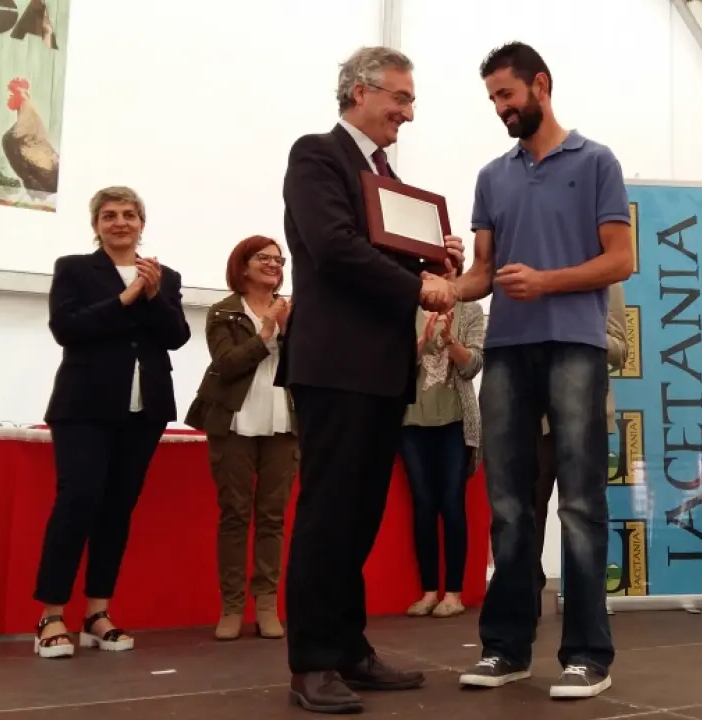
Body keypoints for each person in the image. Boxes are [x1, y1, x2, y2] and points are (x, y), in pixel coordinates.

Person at [277, 45, 464, 714]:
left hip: (383, 368)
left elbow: (383, 257)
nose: (408, 114)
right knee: (329, 514)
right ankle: (312, 663)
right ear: (360, 92)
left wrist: (434, 261)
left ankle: (348, 648)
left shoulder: (385, 177)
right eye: (401, 98)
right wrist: (420, 289)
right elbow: (333, 247)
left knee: (359, 517)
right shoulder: (317, 155)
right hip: (335, 365)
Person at [454, 42, 633, 700]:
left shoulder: (597, 161)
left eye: (507, 94)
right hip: (506, 350)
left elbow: (621, 261)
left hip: (576, 347)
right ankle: (505, 648)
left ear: (541, 85)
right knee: (507, 507)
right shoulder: (490, 177)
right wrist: (444, 286)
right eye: (492, 99)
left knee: (581, 505)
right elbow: (482, 272)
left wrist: (547, 282)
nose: (500, 108)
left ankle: (587, 654)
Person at [32, 186, 191, 658]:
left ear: (142, 223)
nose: (120, 222)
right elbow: (67, 328)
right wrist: (125, 298)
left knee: (117, 508)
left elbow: (177, 336)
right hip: (84, 406)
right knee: (77, 502)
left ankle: (97, 613)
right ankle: (51, 614)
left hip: (145, 409)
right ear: (96, 225)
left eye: (128, 214)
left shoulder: (165, 276)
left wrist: (154, 296)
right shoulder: (74, 269)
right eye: (109, 215)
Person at [184, 235, 297, 641]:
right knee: (234, 515)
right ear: (243, 266)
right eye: (263, 258)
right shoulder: (224, 311)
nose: (273, 264)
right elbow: (227, 364)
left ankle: (266, 605)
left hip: (283, 421)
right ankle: (232, 606)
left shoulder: (295, 310)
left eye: (279, 259)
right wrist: (265, 334)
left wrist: (287, 330)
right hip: (234, 421)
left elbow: (309, 362)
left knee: (273, 517)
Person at [534, 282, 627, 615]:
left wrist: (583, 329)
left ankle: (585, 610)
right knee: (525, 514)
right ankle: (525, 600)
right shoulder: (527, 270)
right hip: (533, 415)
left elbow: (620, 350)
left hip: (586, 418)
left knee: (583, 517)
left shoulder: (607, 276)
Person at [400, 297, 485, 619]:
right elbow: (390, 367)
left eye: (446, 271)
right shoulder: (404, 307)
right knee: (423, 503)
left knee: (452, 503)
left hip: (456, 421)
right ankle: (428, 592)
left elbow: (473, 365)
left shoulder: (470, 310)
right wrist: (421, 341)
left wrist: (450, 340)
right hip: (411, 421)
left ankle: (453, 592)